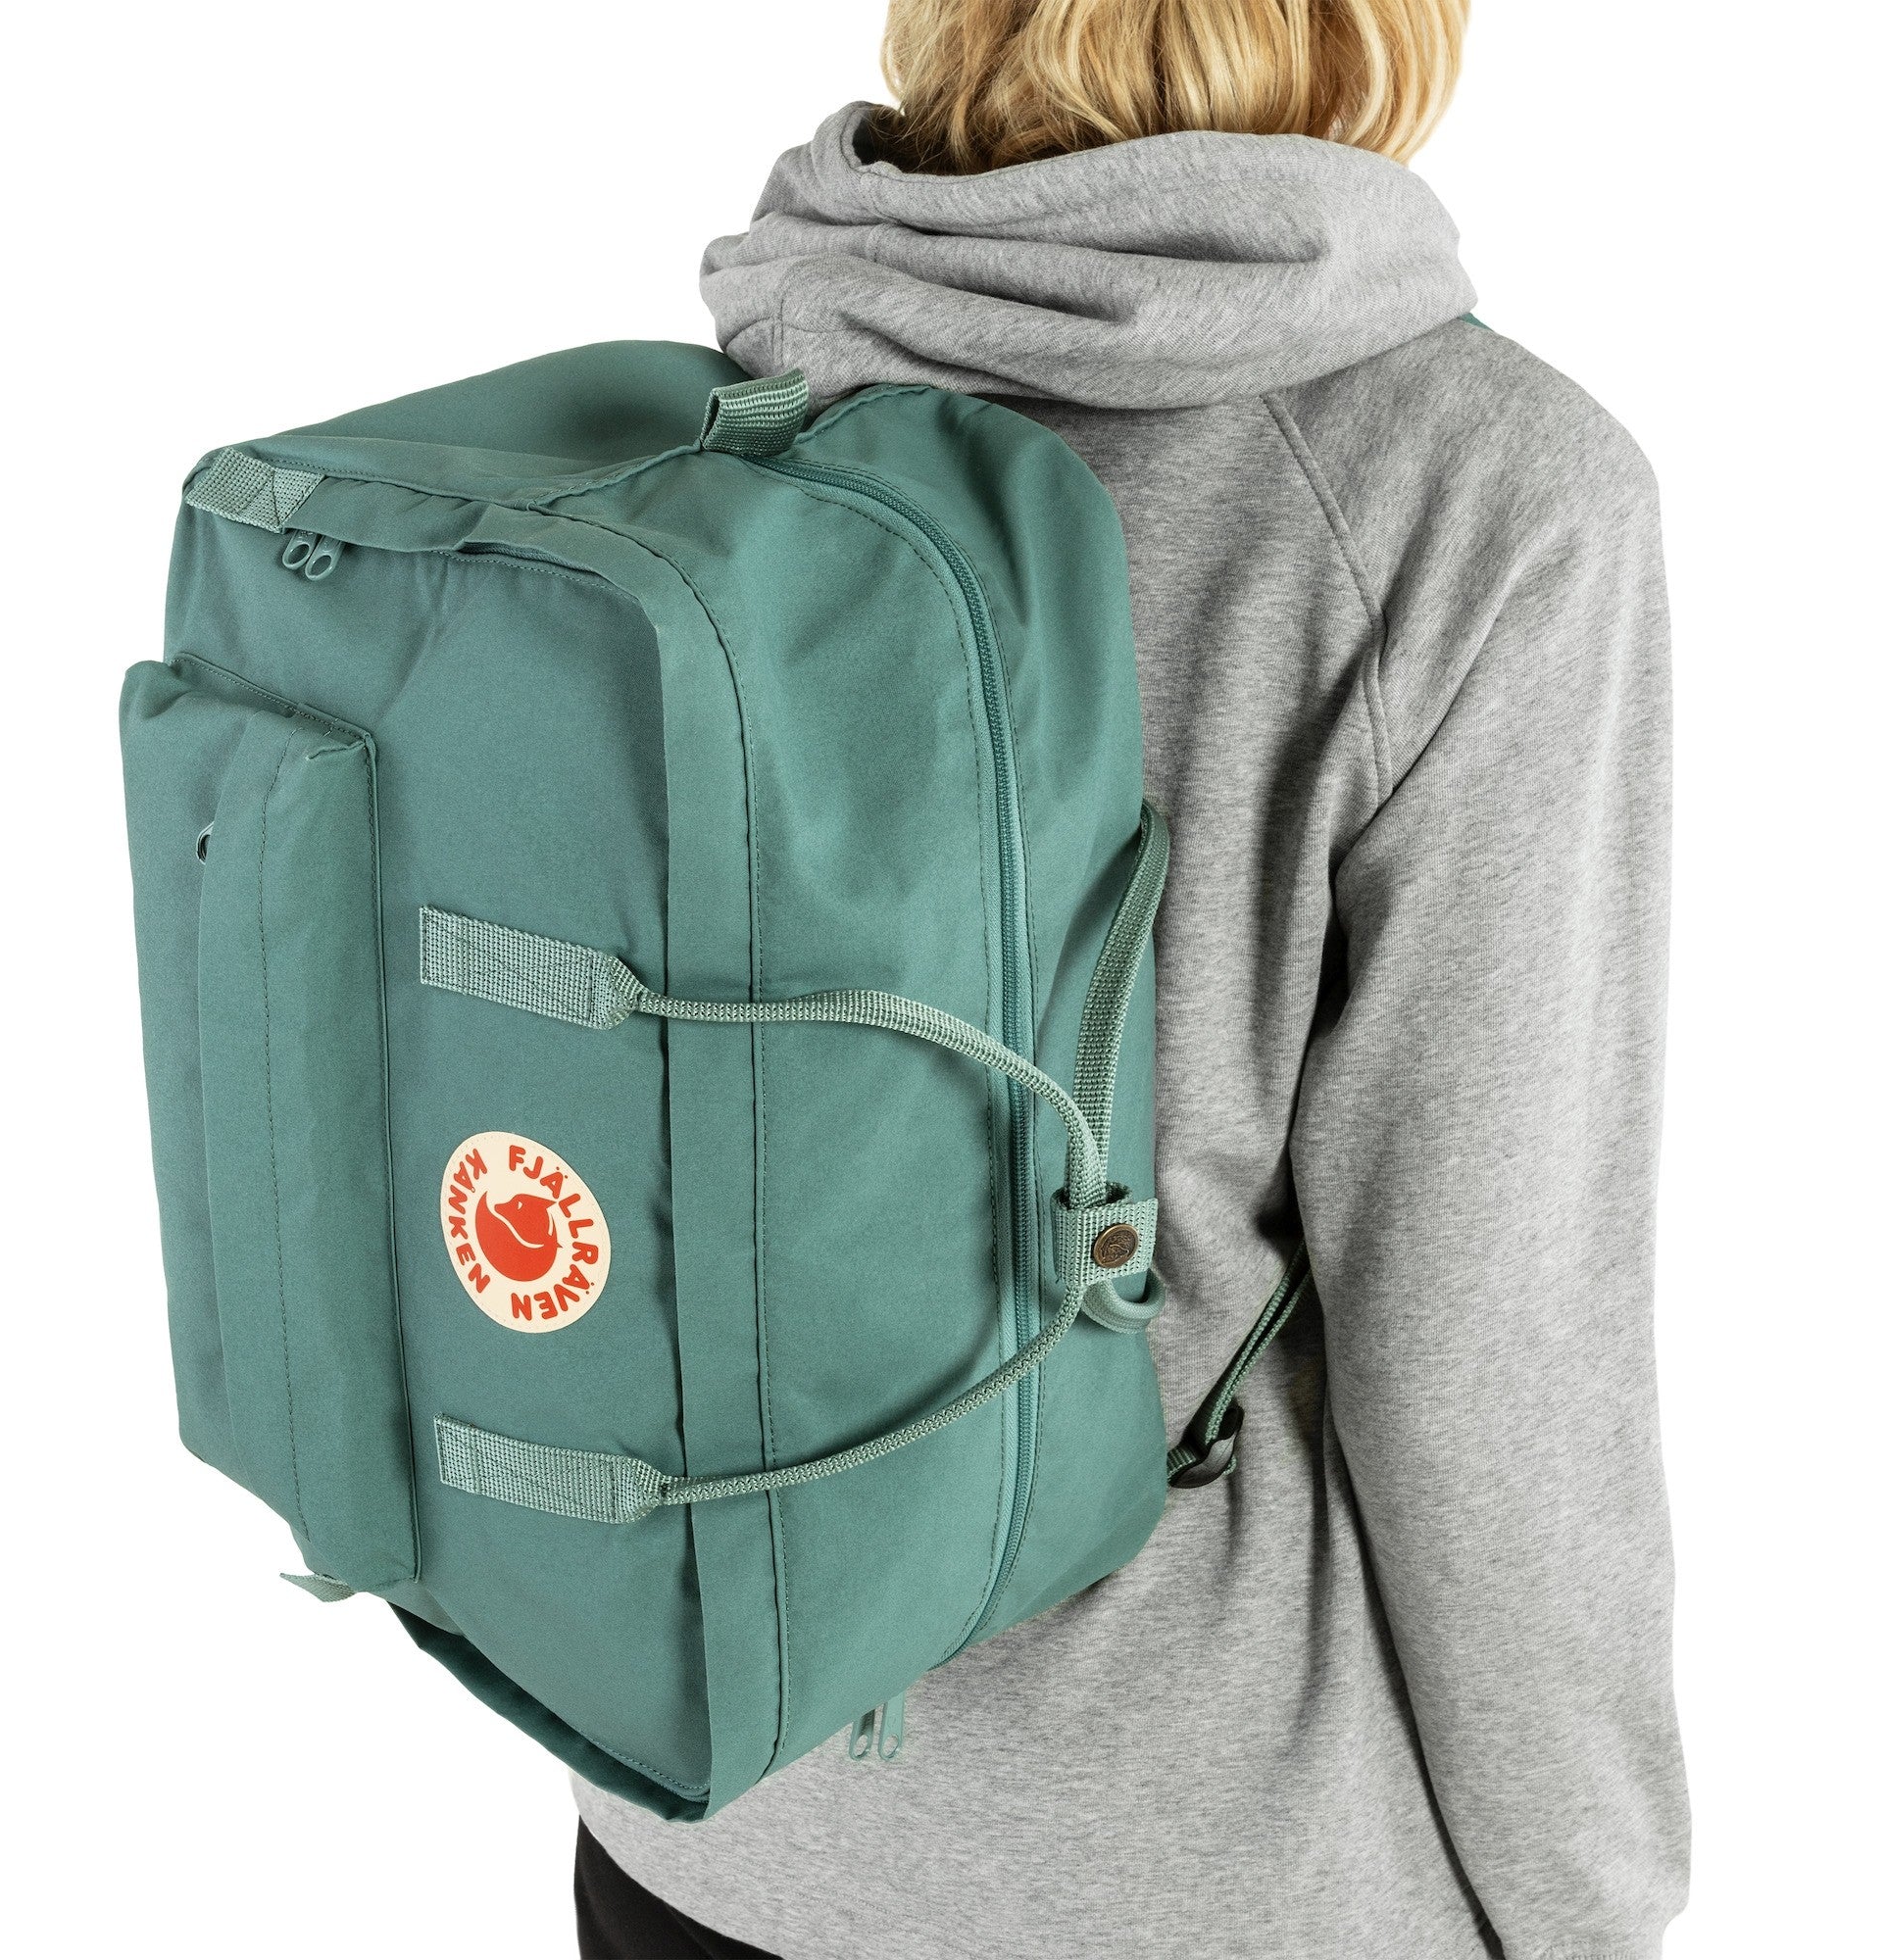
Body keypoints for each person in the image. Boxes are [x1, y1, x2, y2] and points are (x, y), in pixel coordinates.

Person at [572, 3, 1691, 1954]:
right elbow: (1494, 1340)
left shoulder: (710, 412)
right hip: (1188, 1865)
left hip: (693, 1806)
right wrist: (1591, 1907)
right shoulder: (1485, 493)